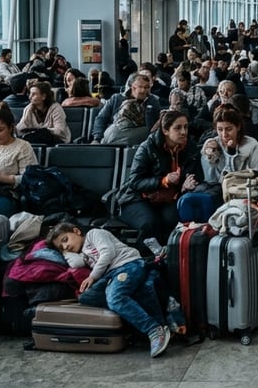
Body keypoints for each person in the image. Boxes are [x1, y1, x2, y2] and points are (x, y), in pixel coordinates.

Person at [48, 222, 173, 357]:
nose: (66, 246)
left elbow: (108, 252)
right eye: (62, 247)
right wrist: (67, 252)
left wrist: (92, 276)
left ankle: (154, 329)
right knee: (86, 297)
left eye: (65, 240)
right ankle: (136, 292)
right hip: (109, 276)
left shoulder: (93, 234)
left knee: (115, 299)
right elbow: (76, 263)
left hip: (127, 265)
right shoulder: (81, 253)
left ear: (76, 231)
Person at [116, 110, 202, 243]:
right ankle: (144, 258)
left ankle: (167, 257)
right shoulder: (147, 147)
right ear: (166, 131)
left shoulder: (191, 149)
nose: (184, 132)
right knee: (150, 224)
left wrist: (186, 185)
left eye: (185, 127)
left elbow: (195, 176)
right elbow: (135, 181)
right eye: (178, 128)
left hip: (168, 199)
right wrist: (164, 180)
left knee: (173, 221)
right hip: (138, 198)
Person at [200, 105, 258, 182]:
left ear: (238, 127)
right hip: (217, 190)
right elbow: (209, 179)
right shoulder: (212, 144)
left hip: (244, 189)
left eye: (229, 129)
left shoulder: (251, 145)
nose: (224, 134)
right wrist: (210, 158)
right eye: (220, 129)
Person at [89, 74, 162, 143]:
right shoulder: (116, 99)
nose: (143, 91)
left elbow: (155, 125)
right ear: (132, 87)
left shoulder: (152, 101)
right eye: (140, 87)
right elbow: (101, 119)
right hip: (114, 136)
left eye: (146, 87)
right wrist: (97, 138)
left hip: (139, 139)